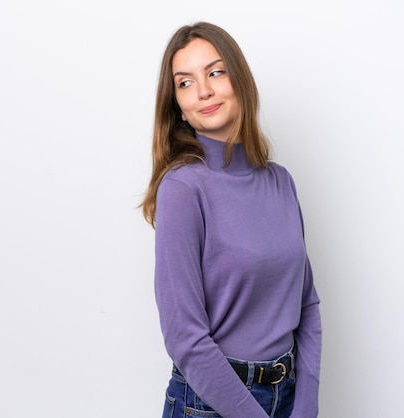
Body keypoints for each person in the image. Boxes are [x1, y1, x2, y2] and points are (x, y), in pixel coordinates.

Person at [140, 22, 322, 418]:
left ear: (239, 79)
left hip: (288, 397)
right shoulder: (184, 188)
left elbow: (305, 303)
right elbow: (185, 338)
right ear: (178, 108)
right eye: (184, 83)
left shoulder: (280, 182)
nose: (203, 90)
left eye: (215, 72)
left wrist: (307, 403)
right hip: (209, 404)